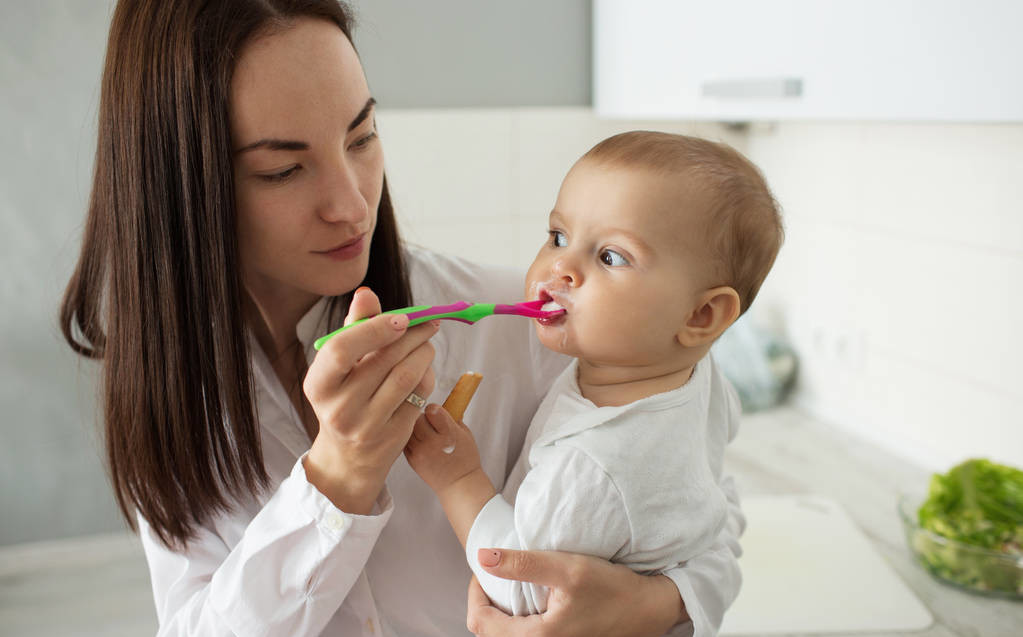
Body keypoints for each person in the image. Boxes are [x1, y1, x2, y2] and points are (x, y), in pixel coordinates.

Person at [58, 2, 745, 636]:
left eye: (361, 137)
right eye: (282, 171)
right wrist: (336, 480)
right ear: (181, 183)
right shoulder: (170, 385)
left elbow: (703, 513)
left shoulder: (540, 328)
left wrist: (656, 604)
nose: (352, 206)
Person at [406, 131, 782, 633]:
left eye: (610, 257)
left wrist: (459, 480)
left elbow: (526, 593)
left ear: (702, 314)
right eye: (558, 237)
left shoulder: (592, 466)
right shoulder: (697, 377)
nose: (559, 267)